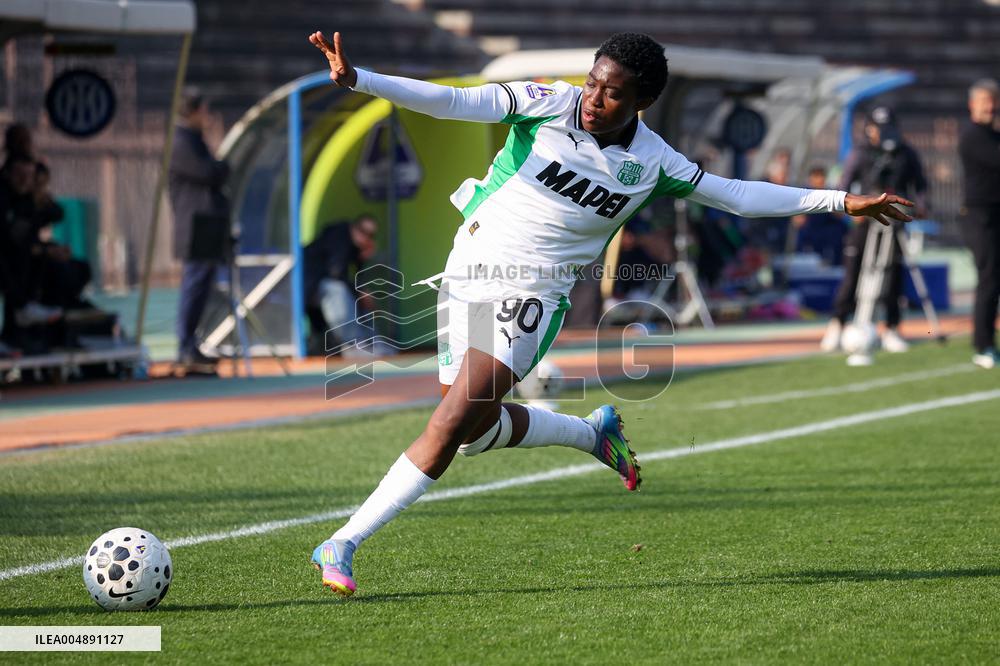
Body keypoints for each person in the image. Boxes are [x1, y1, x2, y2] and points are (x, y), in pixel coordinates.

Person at [306, 30, 912, 597]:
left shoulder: (654, 162)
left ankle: (342, 542)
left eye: (612, 91)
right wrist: (361, 79)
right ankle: (591, 433)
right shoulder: (548, 103)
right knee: (470, 434)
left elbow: (737, 195)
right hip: (468, 267)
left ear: (643, 100)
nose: (593, 99)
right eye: (594, 82)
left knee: (452, 421)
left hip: (531, 296)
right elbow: (451, 102)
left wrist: (839, 200)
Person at [821, 106, 928, 353]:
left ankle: (891, 327)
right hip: (864, 221)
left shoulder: (905, 153)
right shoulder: (861, 153)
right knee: (853, 271)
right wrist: (850, 211)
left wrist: (921, 204)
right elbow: (843, 186)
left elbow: (920, 184)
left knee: (893, 275)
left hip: (894, 221)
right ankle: (838, 323)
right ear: (869, 130)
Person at [168, 87, 230, 374]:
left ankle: (191, 345)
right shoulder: (181, 141)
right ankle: (184, 347)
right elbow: (210, 173)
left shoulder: (193, 140)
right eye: (203, 110)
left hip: (206, 226)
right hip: (195, 227)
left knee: (202, 286)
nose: (207, 116)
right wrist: (220, 165)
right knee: (193, 286)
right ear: (192, 111)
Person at [958, 79, 1000, 369]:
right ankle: (983, 344)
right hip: (979, 215)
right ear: (973, 104)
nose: (990, 106)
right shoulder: (973, 136)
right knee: (989, 276)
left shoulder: (992, 134)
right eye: (985, 101)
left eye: (993, 100)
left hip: (995, 213)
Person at [303, 214, 379, 355]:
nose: (366, 237)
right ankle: (354, 344)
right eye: (362, 231)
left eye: (371, 235)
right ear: (354, 228)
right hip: (305, 286)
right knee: (338, 290)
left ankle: (372, 342)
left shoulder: (353, 247)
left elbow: (357, 277)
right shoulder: (339, 235)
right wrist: (360, 292)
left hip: (317, 287)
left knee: (362, 298)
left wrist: (362, 258)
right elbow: (336, 273)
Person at [793, 166, 847, 266]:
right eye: (816, 176)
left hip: (826, 232)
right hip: (810, 232)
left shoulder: (829, 194)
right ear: (810, 179)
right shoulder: (803, 194)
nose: (820, 180)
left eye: (821, 176)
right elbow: (798, 221)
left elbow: (840, 215)